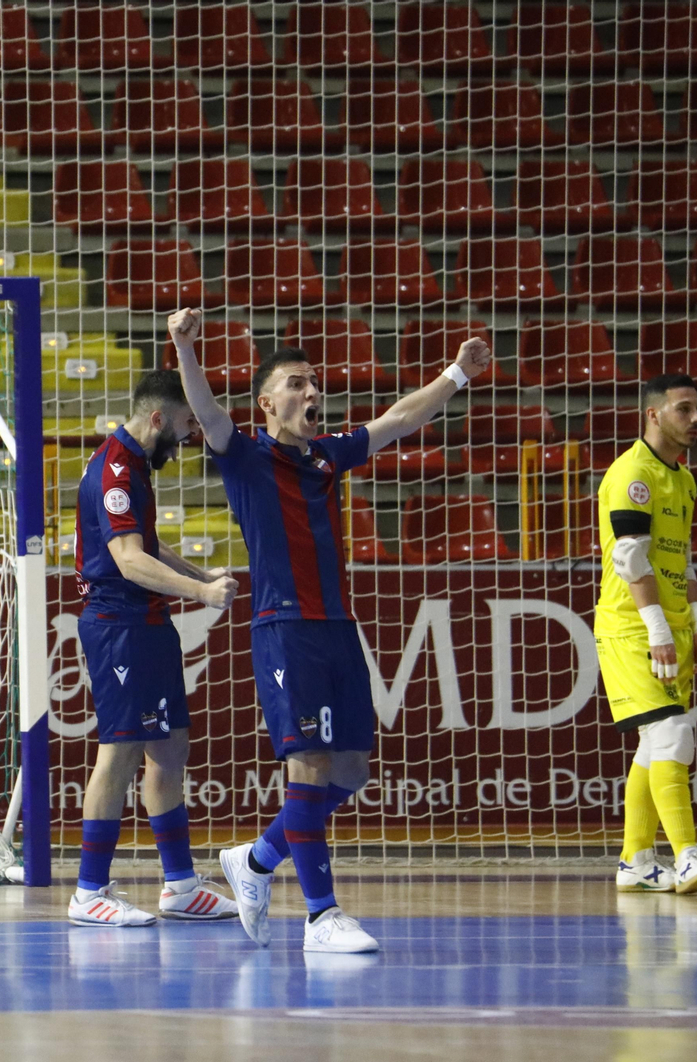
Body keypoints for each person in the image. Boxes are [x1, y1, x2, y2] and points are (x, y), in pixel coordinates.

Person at [169, 307, 494, 954]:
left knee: (349, 770)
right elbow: (206, 411)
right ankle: (321, 916)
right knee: (310, 765)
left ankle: (256, 860)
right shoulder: (245, 455)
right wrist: (183, 346)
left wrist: (457, 373)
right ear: (267, 403)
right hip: (284, 628)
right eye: (297, 383)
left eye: (314, 382)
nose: (312, 391)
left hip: (338, 627)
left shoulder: (326, 455)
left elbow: (400, 418)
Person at [67, 369, 241, 927]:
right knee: (119, 752)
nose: (193, 432)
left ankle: (181, 886)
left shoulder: (137, 462)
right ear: (159, 417)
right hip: (118, 625)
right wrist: (202, 594)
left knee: (169, 749)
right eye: (188, 422)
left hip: (148, 621)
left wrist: (200, 573)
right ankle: (88, 890)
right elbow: (128, 559)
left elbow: (149, 544)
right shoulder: (115, 468)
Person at [596, 374, 697, 895]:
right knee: (673, 734)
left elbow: (680, 558)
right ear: (653, 414)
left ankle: (637, 861)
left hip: (670, 626)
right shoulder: (632, 473)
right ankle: (687, 854)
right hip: (632, 627)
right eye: (684, 409)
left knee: (656, 742)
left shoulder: (684, 479)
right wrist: (657, 630)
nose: (696, 419)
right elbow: (630, 560)